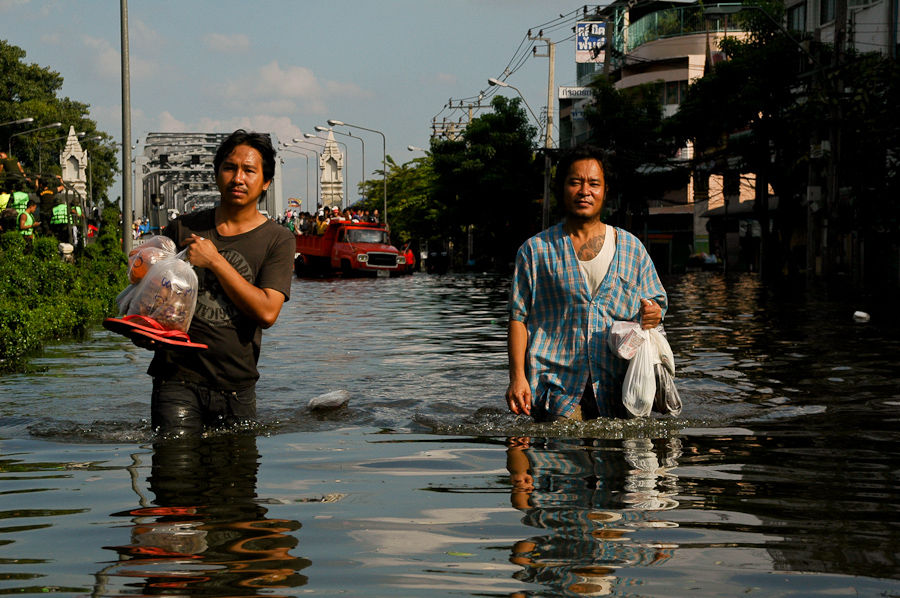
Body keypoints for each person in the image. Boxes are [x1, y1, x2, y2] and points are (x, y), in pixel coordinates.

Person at [139, 129, 295, 435]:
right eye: (229, 168)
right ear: (216, 174)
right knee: (174, 475)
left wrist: (215, 261)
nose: (238, 178)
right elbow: (148, 294)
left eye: (249, 170)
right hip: (176, 378)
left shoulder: (278, 240)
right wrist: (144, 328)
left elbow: (266, 312)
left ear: (265, 182)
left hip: (236, 385)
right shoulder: (184, 227)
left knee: (234, 480)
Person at [505, 144, 667, 421]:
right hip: (556, 388)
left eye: (594, 183)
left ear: (605, 192)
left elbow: (657, 305)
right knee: (557, 458)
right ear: (561, 188)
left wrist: (653, 312)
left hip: (618, 387)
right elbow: (518, 318)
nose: (585, 191)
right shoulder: (535, 251)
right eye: (575, 183)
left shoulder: (631, 248)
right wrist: (517, 378)